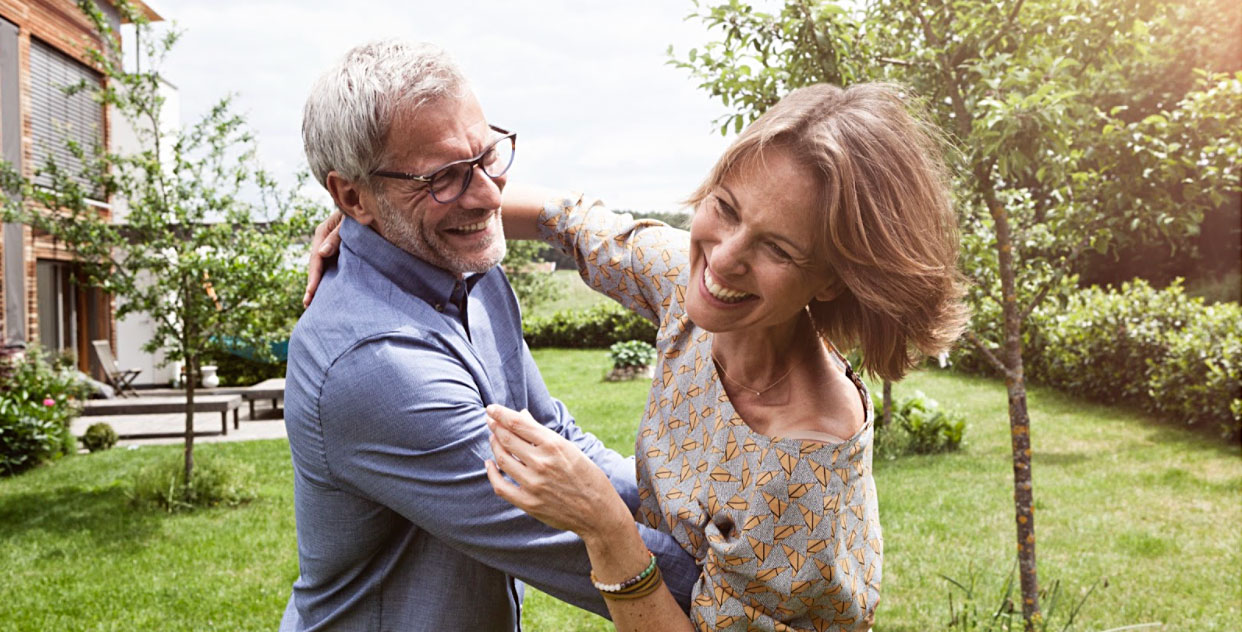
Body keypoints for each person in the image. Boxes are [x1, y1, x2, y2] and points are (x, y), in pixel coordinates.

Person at [307, 84, 967, 630]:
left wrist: (607, 531)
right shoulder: (686, 282)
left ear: (830, 279)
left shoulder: (803, 468)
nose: (725, 259)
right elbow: (569, 218)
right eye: (725, 209)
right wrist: (388, 213)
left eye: (778, 249)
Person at [281, 39, 699, 632]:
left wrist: (702, 514)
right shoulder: (375, 365)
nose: (488, 195)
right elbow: (570, 532)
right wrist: (763, 590)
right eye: (443, 178)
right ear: (352, 195)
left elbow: (553, 442)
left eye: (486, 157)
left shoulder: (468, 272)